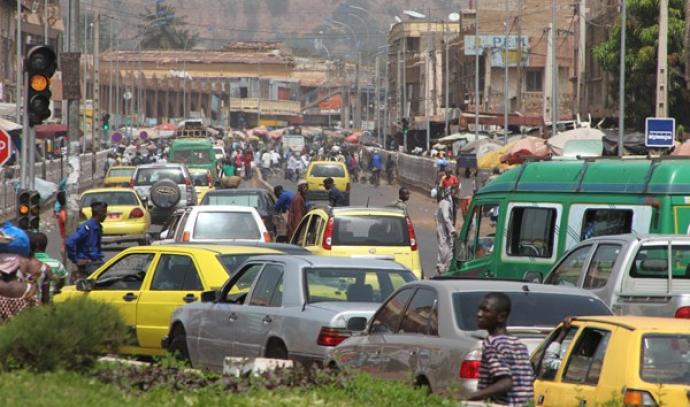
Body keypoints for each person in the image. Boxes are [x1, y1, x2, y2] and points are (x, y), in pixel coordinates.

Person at [468, 293, 535, 406]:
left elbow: (506, 383)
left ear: (501, 317)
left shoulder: (492, 343)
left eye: (485, 310)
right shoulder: (518, 343)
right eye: (479, 309)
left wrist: (472, 396)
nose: (479, 314)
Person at [65, 201, 107, 280]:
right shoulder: (86, 228)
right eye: (104, 213)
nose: (106, 215)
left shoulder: (98, 227)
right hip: (88, 266)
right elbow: (70, 242)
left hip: (96, 263)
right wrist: (76, 259)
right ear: (98, 213)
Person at [30, 232, 67, 301]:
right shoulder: (57, 264)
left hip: (31, 303)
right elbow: (62, 282)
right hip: (49, 302)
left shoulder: (27, 264)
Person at [434, 187, 456, 277]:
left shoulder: (443, 203)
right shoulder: (445, 203)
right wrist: (452, 230)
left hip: (442, 228)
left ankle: (444, 268)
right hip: (444, 228)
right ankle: (442, 268)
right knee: (445, 247)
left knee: (447, 246)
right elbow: (446, 217)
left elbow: (436, 215)